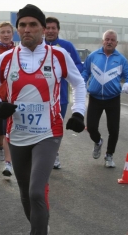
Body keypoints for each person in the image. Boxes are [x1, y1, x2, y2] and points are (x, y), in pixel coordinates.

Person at [0, 4, 87, 234]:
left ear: (42, 29)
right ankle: (41, 227)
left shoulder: (58, 55)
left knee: (37, 191)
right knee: (25, 193)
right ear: (18, 29)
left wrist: (79, 112)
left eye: (32, 25)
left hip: (48, 133)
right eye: (22, 25)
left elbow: (79, 83)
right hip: (17, 134)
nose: (27, 29)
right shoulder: (7, 59)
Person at [81, 29, 128, 168]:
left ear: (116, 43)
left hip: (113, 98)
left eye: (112, 40)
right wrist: (81, 83)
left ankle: (109, 155)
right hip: (94, 97)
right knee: (91, 127)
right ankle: (98, 141)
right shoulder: (93, 56)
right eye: (107, 39)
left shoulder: (121, 60)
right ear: (103, 41)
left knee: (113, 129)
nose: (109, 42)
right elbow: (85, 72)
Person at [45, 16, 83, 169]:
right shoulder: (38, 46)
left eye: (53, 28)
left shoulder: (66, 46)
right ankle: (42, 155)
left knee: (56, 128)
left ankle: (54, 154)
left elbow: (79, 67)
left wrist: (64, 73)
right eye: (47, 28)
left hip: (61, 97)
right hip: (41, 97)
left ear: (58, 30)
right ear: (43, 30)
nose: (50, 31)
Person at [0, 21, 15, 177]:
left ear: (12, 34)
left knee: (9, 130)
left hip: (12, 97)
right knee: (0, 130)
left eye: (8, 32)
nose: (6, 35)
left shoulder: (18, 51)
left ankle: (8, 164)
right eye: (3, 32)